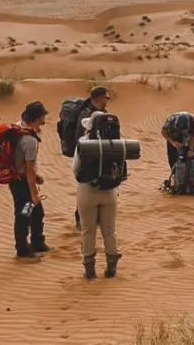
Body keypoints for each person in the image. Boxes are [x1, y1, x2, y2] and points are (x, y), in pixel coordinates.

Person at [72, 111, 123, 279]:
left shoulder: (84, 142)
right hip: (109, 191)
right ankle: (111, 268)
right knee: (109, 230)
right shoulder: (117, 142)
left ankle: (90, 270)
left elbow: (75, 169)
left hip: (87, 190)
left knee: (88, 230)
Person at [10, 101, 49, 261]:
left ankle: (38, 242)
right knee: (24, 214)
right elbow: (29, 168)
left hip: (19, 178)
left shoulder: (19, 127)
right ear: (38, 118)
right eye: (43, 116)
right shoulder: (30, 141)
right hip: (22, 182)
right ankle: (22, 250)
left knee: (37, 212)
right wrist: (33, 194)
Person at [72, 86, 111, 230]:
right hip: (86, 157)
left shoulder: (101, 113)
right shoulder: (86, 114)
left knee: (99, 187)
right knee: (85, 188)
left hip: (100, 156)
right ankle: (80, 219)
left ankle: (97, 218)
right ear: (99, 98)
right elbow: (83, 137)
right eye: (106, 98)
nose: (107, 101)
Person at [161, 111, 194, 181]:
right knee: (172, 156)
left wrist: (190, 149)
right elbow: (163, 132)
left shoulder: (193, 121)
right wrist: (173, 142)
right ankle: (175, 176)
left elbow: (193, 135)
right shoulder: (170, 122)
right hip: (173, 135)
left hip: (187, 136)